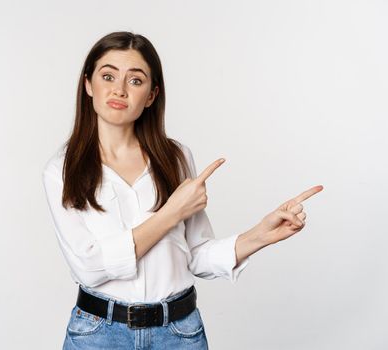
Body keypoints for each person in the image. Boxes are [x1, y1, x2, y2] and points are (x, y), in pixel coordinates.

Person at [42, 31, 323, 350]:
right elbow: (89, 268)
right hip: (98, 335)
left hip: (178, 334)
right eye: (108, 76)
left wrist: (261, 234)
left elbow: (195, 254)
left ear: (151, 95)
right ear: (88, 84)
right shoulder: (61, 170)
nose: (119, 89)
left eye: (135, 81)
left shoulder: (175, 158)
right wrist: (172, 211)